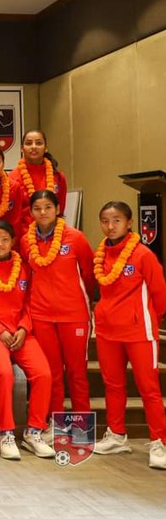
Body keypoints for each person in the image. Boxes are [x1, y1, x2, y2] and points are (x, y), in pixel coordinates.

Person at [91, 201, 166, 468]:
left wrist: (144, 321)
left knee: (149, 389)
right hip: (108, 332)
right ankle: (116, 435)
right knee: (113, 385)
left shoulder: (143, 255)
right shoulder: (100, 255)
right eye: (105, 221)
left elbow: (160, 294)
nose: (110, 227)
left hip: (139, 333)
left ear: (130, 223)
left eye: (117, 221)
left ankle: (160, 442)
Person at [0, 220, 55, 460]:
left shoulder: (24, 267)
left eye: (5, 239)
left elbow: (31, 302)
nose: (0, 244)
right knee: (5, 374)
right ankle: (5, 433)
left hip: (20, 332)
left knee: (44, 374)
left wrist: (23, 328)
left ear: (13, 241)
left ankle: (33, 432)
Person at [20, 190, 95, 439]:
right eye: (38, 208)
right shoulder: (25, 241)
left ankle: (83, 429)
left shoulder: (76, 238)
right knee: (51, 373)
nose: (43, 212)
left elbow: (89, 275)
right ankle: (57, 424)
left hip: (74, 315)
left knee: (76, 372)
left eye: (48, 207)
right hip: (41, 316)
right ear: (31, 212)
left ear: (57, 208)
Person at [9, 130, 68, 228]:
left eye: (38, 143)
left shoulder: (58, 176)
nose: (33, 147)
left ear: (46, 148)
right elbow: (12, 216)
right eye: (28, 143)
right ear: (21, 149)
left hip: (52, 234)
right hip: (23, 236)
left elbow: (59, 211)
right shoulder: (12, 178)